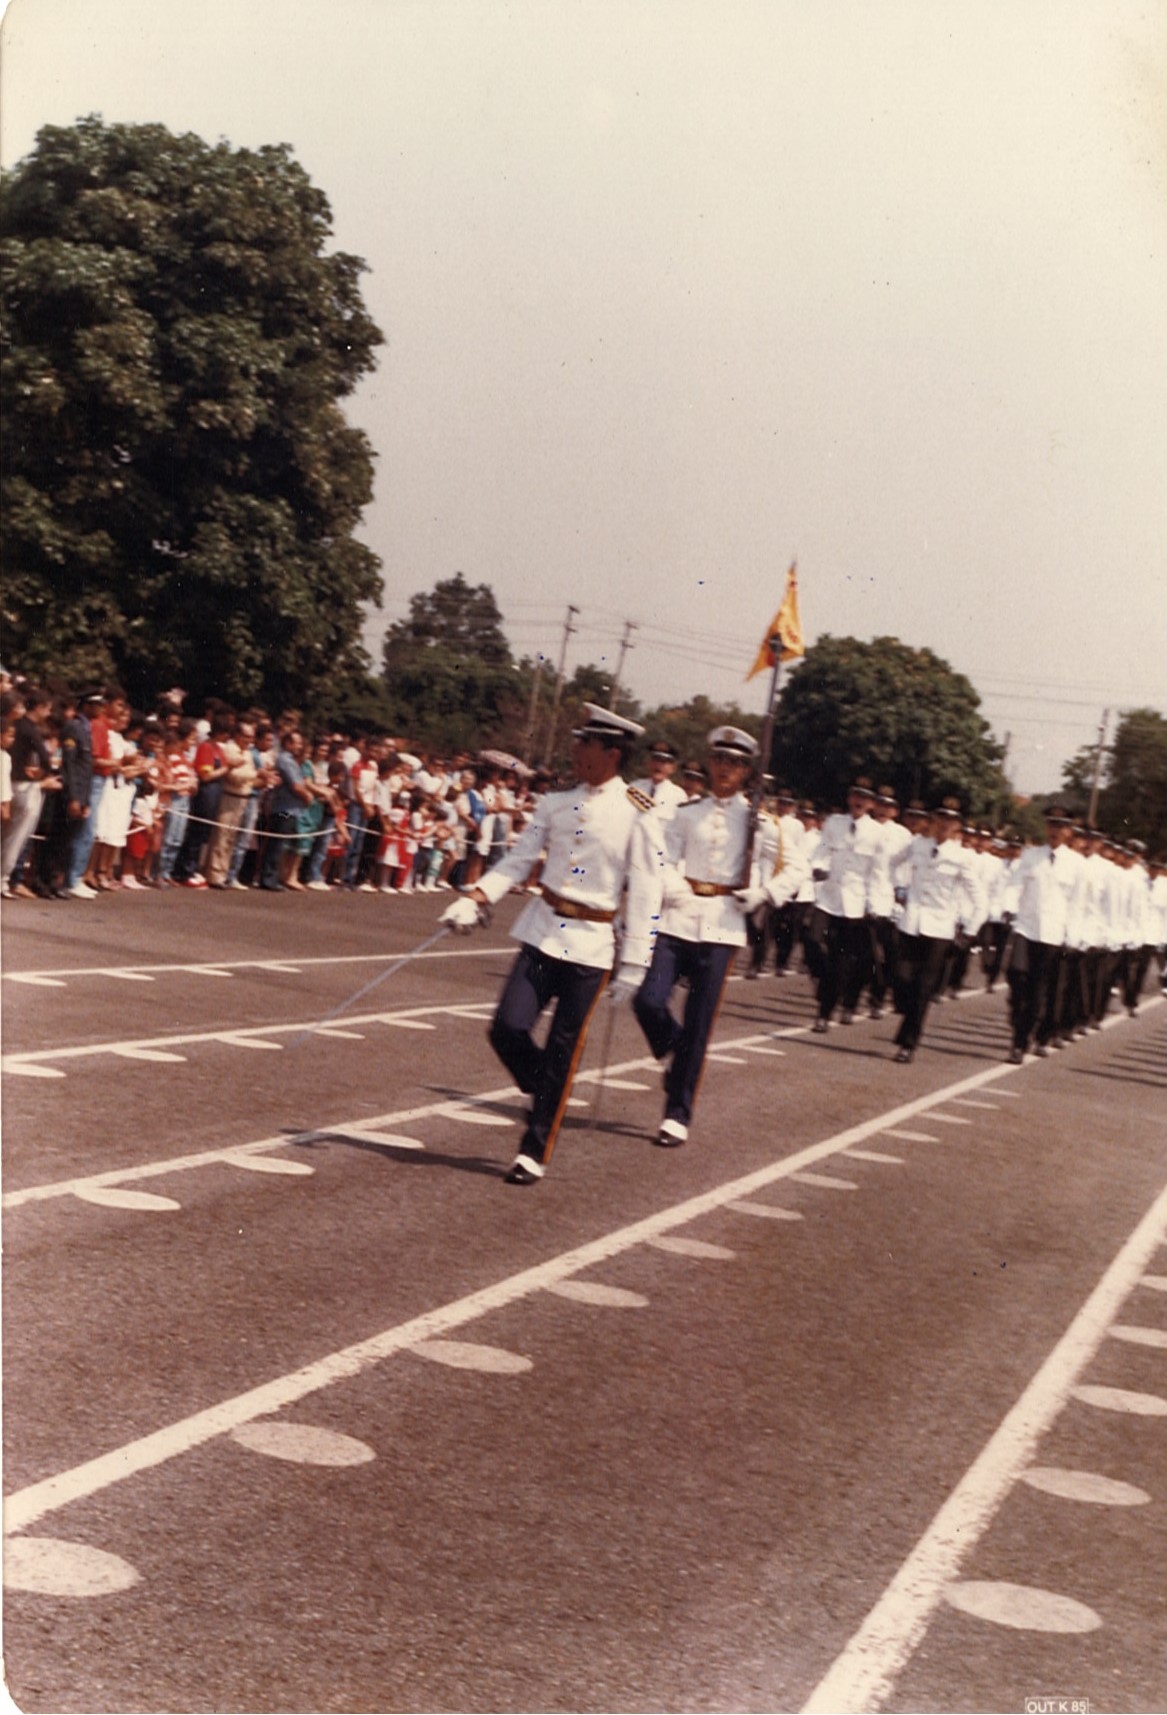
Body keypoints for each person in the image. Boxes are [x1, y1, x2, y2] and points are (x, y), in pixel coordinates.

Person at [439, 704, 665, 1186]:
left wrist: (635, 961)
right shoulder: (556, 802)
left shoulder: (638, 812)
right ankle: (547, 1092)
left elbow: (648, 890)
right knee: (507, 1027)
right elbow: (520, 858)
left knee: (564, 1047)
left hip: (591, 946)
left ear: (612, 752)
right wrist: (477, 897)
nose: (576, 750)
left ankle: (534, 1150)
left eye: (586, 743)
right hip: (543, 930)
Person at [633, 727, 806, 1146]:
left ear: (746, 771)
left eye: (734, 763)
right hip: (679, 917)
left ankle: (677, 1114)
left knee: (699, 1021)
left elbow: (796, 868)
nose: (725, 769)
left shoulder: (759, 822)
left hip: (723, 924)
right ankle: (674, 1050)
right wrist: (673, 886)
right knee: (648, 998)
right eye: (719, 760)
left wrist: (764, 893)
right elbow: (664, 856)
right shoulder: (688, 812)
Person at [889, 797, 987, 1061]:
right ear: (933, 820)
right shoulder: (917, 845)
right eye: (941, 818)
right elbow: (892, 863)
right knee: (901, 977)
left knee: (923, 987)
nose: (945, 824)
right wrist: (898, 888)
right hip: (911, 922)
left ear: (957, 826)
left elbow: (980, 900)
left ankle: (908, 1044)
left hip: (940, 929)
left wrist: (969, 932)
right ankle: (907, 1019)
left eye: (951, 820)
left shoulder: (963, 858)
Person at [1005, 805, 1086, 1061]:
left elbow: (1077, 904)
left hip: (1052, 933)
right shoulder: (1031, 856)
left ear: (1069, 831)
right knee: (1017, 975)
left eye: (1061, 827)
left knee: (1038, 991)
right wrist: (1008, 907)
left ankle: (1020, 1043)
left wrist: (1072, 936)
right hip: (1026, 927)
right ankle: (1018, 1016)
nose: (1055, 830)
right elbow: (1015, 885)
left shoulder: (1077, 864)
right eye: (1052, 825)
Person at [809, 778, 883, 1031]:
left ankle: (825, 1013)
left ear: (871, 804)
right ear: (849, 798)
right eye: (855, 796)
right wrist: (818, 866)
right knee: (812, 940)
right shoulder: (835, 822)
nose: (858, 801)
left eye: (865, 798)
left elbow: (877, 873)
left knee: (841, 962)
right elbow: (822, 850)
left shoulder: (877, 833)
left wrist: (874, 905)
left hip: (855, 903)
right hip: (829, 897)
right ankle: (822, 983)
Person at [630, 739, 687, 824]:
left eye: (664, 762)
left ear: (673, 768)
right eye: (655, 759)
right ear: (648, 763)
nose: (658, 765)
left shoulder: (678, 795)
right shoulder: (634, 787)